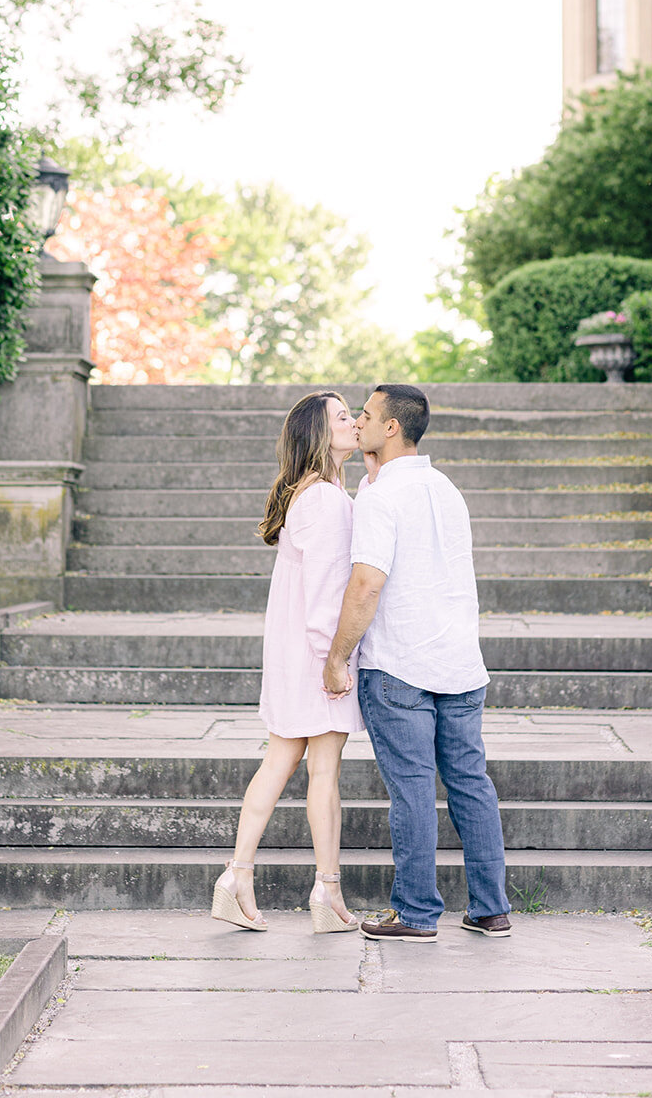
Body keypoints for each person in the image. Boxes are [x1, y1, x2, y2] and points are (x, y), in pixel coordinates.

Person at [323, 383, 511, 942]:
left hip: (400, 664)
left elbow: (366, 584)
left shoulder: (382, 497)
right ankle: (490, 909)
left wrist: (338, 658)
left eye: (366, 414)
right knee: (471, 784)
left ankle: (415, 913)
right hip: (458, 662)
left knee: (411, 791)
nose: (357, 423)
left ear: (391, 429)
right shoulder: (445, 488)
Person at [212, 390, 363, 935]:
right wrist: (335, 660)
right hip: (316, 658)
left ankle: (237, 877)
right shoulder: (323, 500)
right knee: (323, 773)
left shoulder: (313, 493)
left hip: (297, 654)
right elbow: (326, 593)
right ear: (320, 436)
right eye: (344, 416)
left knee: (280, 763)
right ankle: (326, 891)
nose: (355, 421)